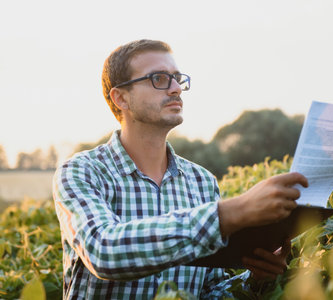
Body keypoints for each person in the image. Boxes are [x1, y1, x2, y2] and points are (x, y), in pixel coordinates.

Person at [53, 39, 308, 299]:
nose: (176, 89)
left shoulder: (202, 182)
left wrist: (255, 279)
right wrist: (232, 212)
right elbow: (102, 251)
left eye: (177, 78)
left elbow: (210, 292)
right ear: (121, 98)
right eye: (159, 79)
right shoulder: (82, 172)